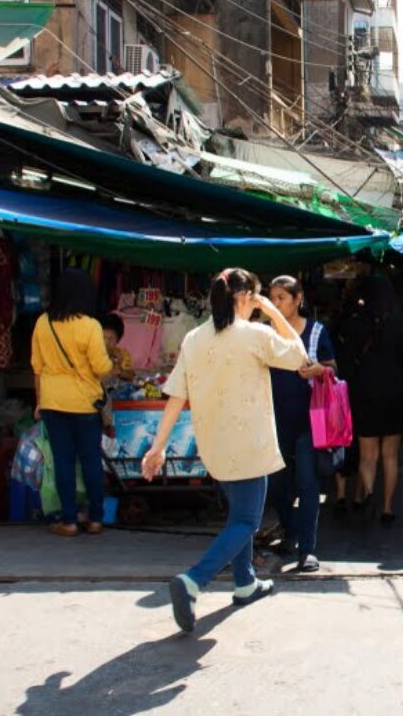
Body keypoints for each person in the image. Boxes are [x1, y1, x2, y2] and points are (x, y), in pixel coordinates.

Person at [142, 268, 306, 633]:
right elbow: (299, 356)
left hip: (215, 446)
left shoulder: (194, 338)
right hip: (249, 444)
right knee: (247, 521)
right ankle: (193, 580)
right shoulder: (254, 334)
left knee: (239, 516)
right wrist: (276, 312)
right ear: (245, 297)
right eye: (257, 296)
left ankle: (244, 582)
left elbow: (176, 395)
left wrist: (158, 446)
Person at [31, 268, 113, 538]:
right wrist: (113, 364)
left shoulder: (43, 323)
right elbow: (101, 367)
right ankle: (96, 519)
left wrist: (39, 402)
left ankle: (68, 520)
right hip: (84, 403)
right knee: (91, 461)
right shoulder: (90, 326)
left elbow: (37, 367)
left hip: (53, 402)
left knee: (63, 462)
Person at [265, 275, 337, 573]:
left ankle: (307, 549)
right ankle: (289, 530)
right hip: (273, 418)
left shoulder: (317, 332)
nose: (277, 303)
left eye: (282, 297)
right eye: (273, 298)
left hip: (310, 419)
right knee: (278, 484)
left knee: (308, 483)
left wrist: (319, 369)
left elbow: (332, 368)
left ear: (298, 299)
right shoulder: (264, 334)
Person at [338, 274, 403, 525]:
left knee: (367, 456)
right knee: (390, 456)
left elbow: (347, 363)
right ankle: (387, 508)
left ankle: (369, 496)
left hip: (365, 395)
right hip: (396, 396)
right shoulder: (400, 323)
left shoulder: (357, 323)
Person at [100, 313, 136, 382]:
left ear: (118, 339)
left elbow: (131, 375)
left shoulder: (122, 354)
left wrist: (120, 371)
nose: (107, 342)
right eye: (103, 337)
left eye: (111, 338)